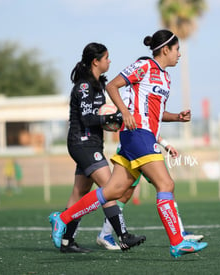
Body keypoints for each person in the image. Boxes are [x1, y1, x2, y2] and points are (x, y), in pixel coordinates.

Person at [49, 29, 208, 258]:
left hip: (142, 136)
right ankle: (177, 242)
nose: (179, 55)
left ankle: (62, 219)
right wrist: (124, 112)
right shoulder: (144, 65)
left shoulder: (166, 77)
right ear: (165, 49)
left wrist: (177, 117)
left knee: (113, 191)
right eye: (177, 50)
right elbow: (113, 86)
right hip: (137, 135)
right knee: (166, 184)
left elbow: (155, 112)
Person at [50, 42, 145, 253]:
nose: (109, 61)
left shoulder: (97, 85)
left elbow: (98, 118)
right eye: (106, 58)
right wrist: (112, 117)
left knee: (80, 192)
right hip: (82, 144)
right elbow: (86, 118)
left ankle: (66, 241)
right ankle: (123, 236)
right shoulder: (84, 86)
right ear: (96, 61)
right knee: (110, 188)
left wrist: (112, 121)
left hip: (89, 144)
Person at [96, 137, 204, 250]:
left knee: (167, 187)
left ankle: (180, 233)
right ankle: (105, 234)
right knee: (123, 194)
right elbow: (142, 126)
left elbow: (150, 127)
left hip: (148, 150)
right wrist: (165, 144)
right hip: (133, 150)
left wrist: (165, 144)